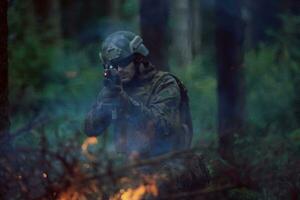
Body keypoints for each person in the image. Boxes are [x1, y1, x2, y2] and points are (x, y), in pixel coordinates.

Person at [84, 31, 193, 160]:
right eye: (114, 65)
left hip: (168, 162)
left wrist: (127, 104)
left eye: (124, 62)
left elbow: (163, 126)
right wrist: (104, 105)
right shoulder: (114, 88)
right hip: (130, 165)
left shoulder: (164, 83)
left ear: (139, 59)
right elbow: (91, 130)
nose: (119, 70)